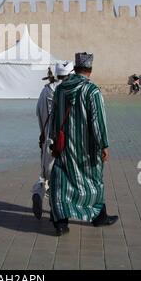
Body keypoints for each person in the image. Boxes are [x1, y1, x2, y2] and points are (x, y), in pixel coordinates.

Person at [49, 52, 118, 236]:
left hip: (64, 147)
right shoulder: (92, 91)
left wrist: (53, 140)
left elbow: (54, 116)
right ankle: (99, 217)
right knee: (93, 181)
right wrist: (104, 144)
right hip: (87, 149)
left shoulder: (61, 89)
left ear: (76, 68)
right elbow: (98, 121)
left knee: (62, 183)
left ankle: (61, 222)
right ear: (90, 69)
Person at [31, 61, 74, 220]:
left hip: (48, 140)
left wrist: (43, 134)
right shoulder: (69, 90)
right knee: (62, 176)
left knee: (46, 174)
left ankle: (38, 192)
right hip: (64, 141)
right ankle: (57, 209)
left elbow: (39, 113)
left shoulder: (46, 91)